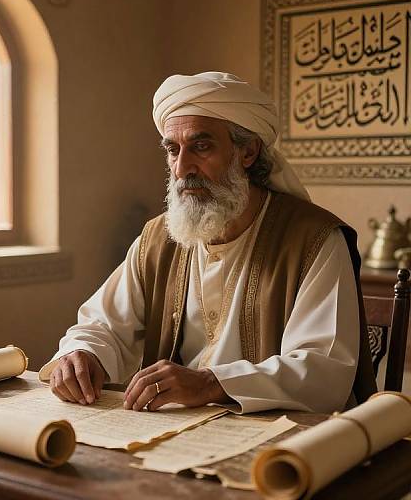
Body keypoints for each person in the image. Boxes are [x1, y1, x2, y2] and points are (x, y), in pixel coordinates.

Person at [39, 72, 376, 414]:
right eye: (173, 150)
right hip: (177, 432)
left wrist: (210, 383)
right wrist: (81, 354)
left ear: (248, 152)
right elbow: (103, 324)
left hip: (282, 438)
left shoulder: (314, 239)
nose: (183, 167)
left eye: (201, 147)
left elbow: (323, 371)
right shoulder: (159, 239)